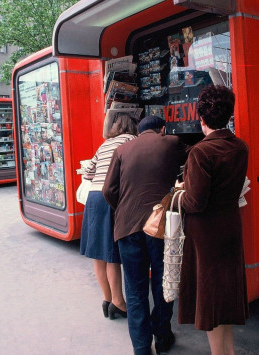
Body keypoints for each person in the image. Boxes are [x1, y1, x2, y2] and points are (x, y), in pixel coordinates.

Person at [103, 115, 189, 355]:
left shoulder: (122, 149)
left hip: (127, 228)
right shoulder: (171, 142)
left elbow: (108, 190)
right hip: (161, 227)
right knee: (164, 283)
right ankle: (162, 337)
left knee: (135, 290)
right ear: (161, 129)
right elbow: (196, 158)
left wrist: (125, 210)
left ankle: (141, 348)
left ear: (139, 133)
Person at [176, 85, 249, 355]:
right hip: (230, 226)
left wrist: (176, 195)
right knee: (224, 298)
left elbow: (195, 202)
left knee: (209, 301)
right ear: (228, 115)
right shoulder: (240, 147)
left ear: (202, 119)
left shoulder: (200, 152)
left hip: (205, 236)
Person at [80, 113, 138, 320]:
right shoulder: (131, 140)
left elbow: (88, 173)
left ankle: (107, 299)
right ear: (132, 126)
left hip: (93, 197)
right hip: (109, 198)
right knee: (112, 254)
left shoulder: (104, 144)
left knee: (99, 255)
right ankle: (119, 303)